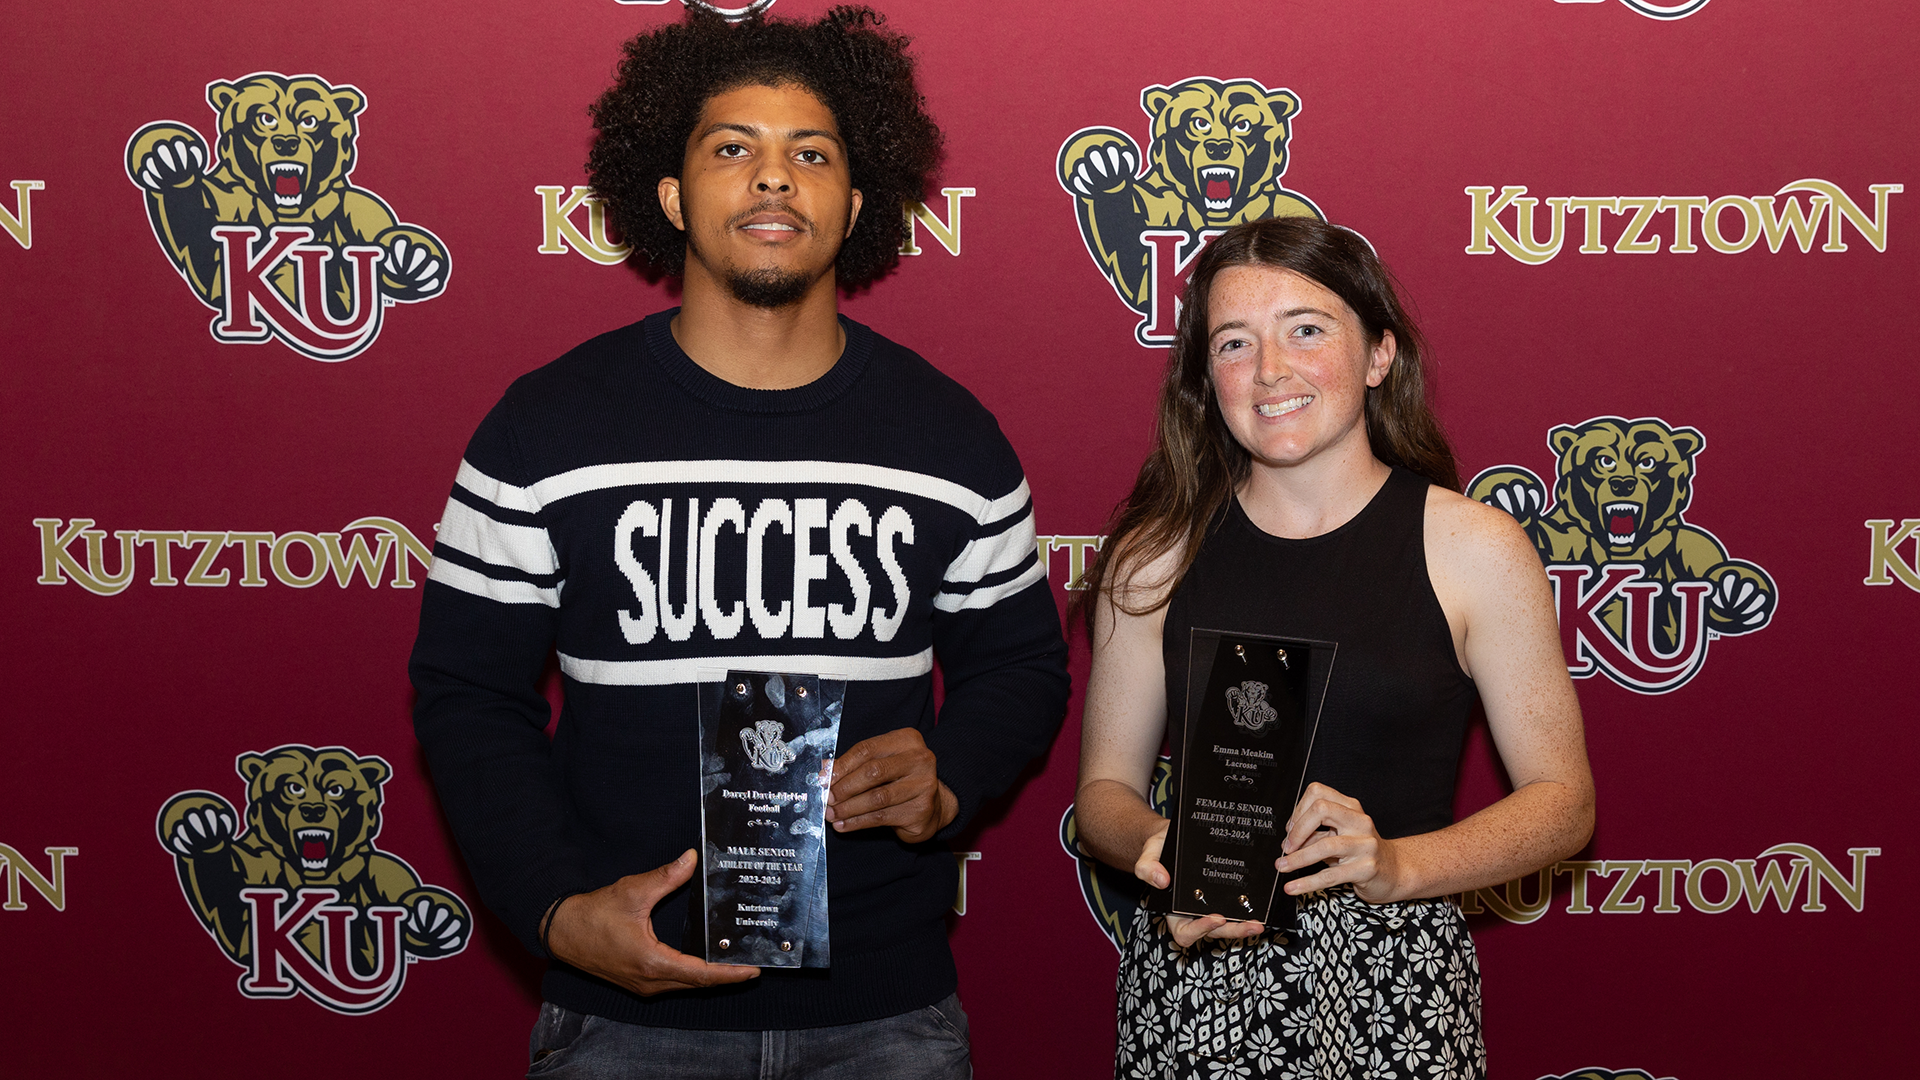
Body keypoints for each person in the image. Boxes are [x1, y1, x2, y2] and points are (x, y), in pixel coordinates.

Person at [408, 8, 1069, 1077]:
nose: (774, 179)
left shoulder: (950, 437)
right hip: (626, 1015)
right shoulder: (544, 428)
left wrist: (950, 770)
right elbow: (467, 692)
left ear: (854, 203)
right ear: (671, 196)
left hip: (884, 1016)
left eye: (811, 153)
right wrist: (556, 910)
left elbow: (1022, 667)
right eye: (733, 150)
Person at [1073, 217, 1594, 1079]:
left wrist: (1395, 863)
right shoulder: (1153, 555)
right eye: (1235, 343)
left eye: (1305, 331)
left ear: (1379, 354)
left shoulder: (1474, 548)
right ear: (1207, 377)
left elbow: (1564, 803)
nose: (1270, 371)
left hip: (1396, 980)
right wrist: (1160, 851)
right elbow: (1102, 794)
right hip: (1197, 976)